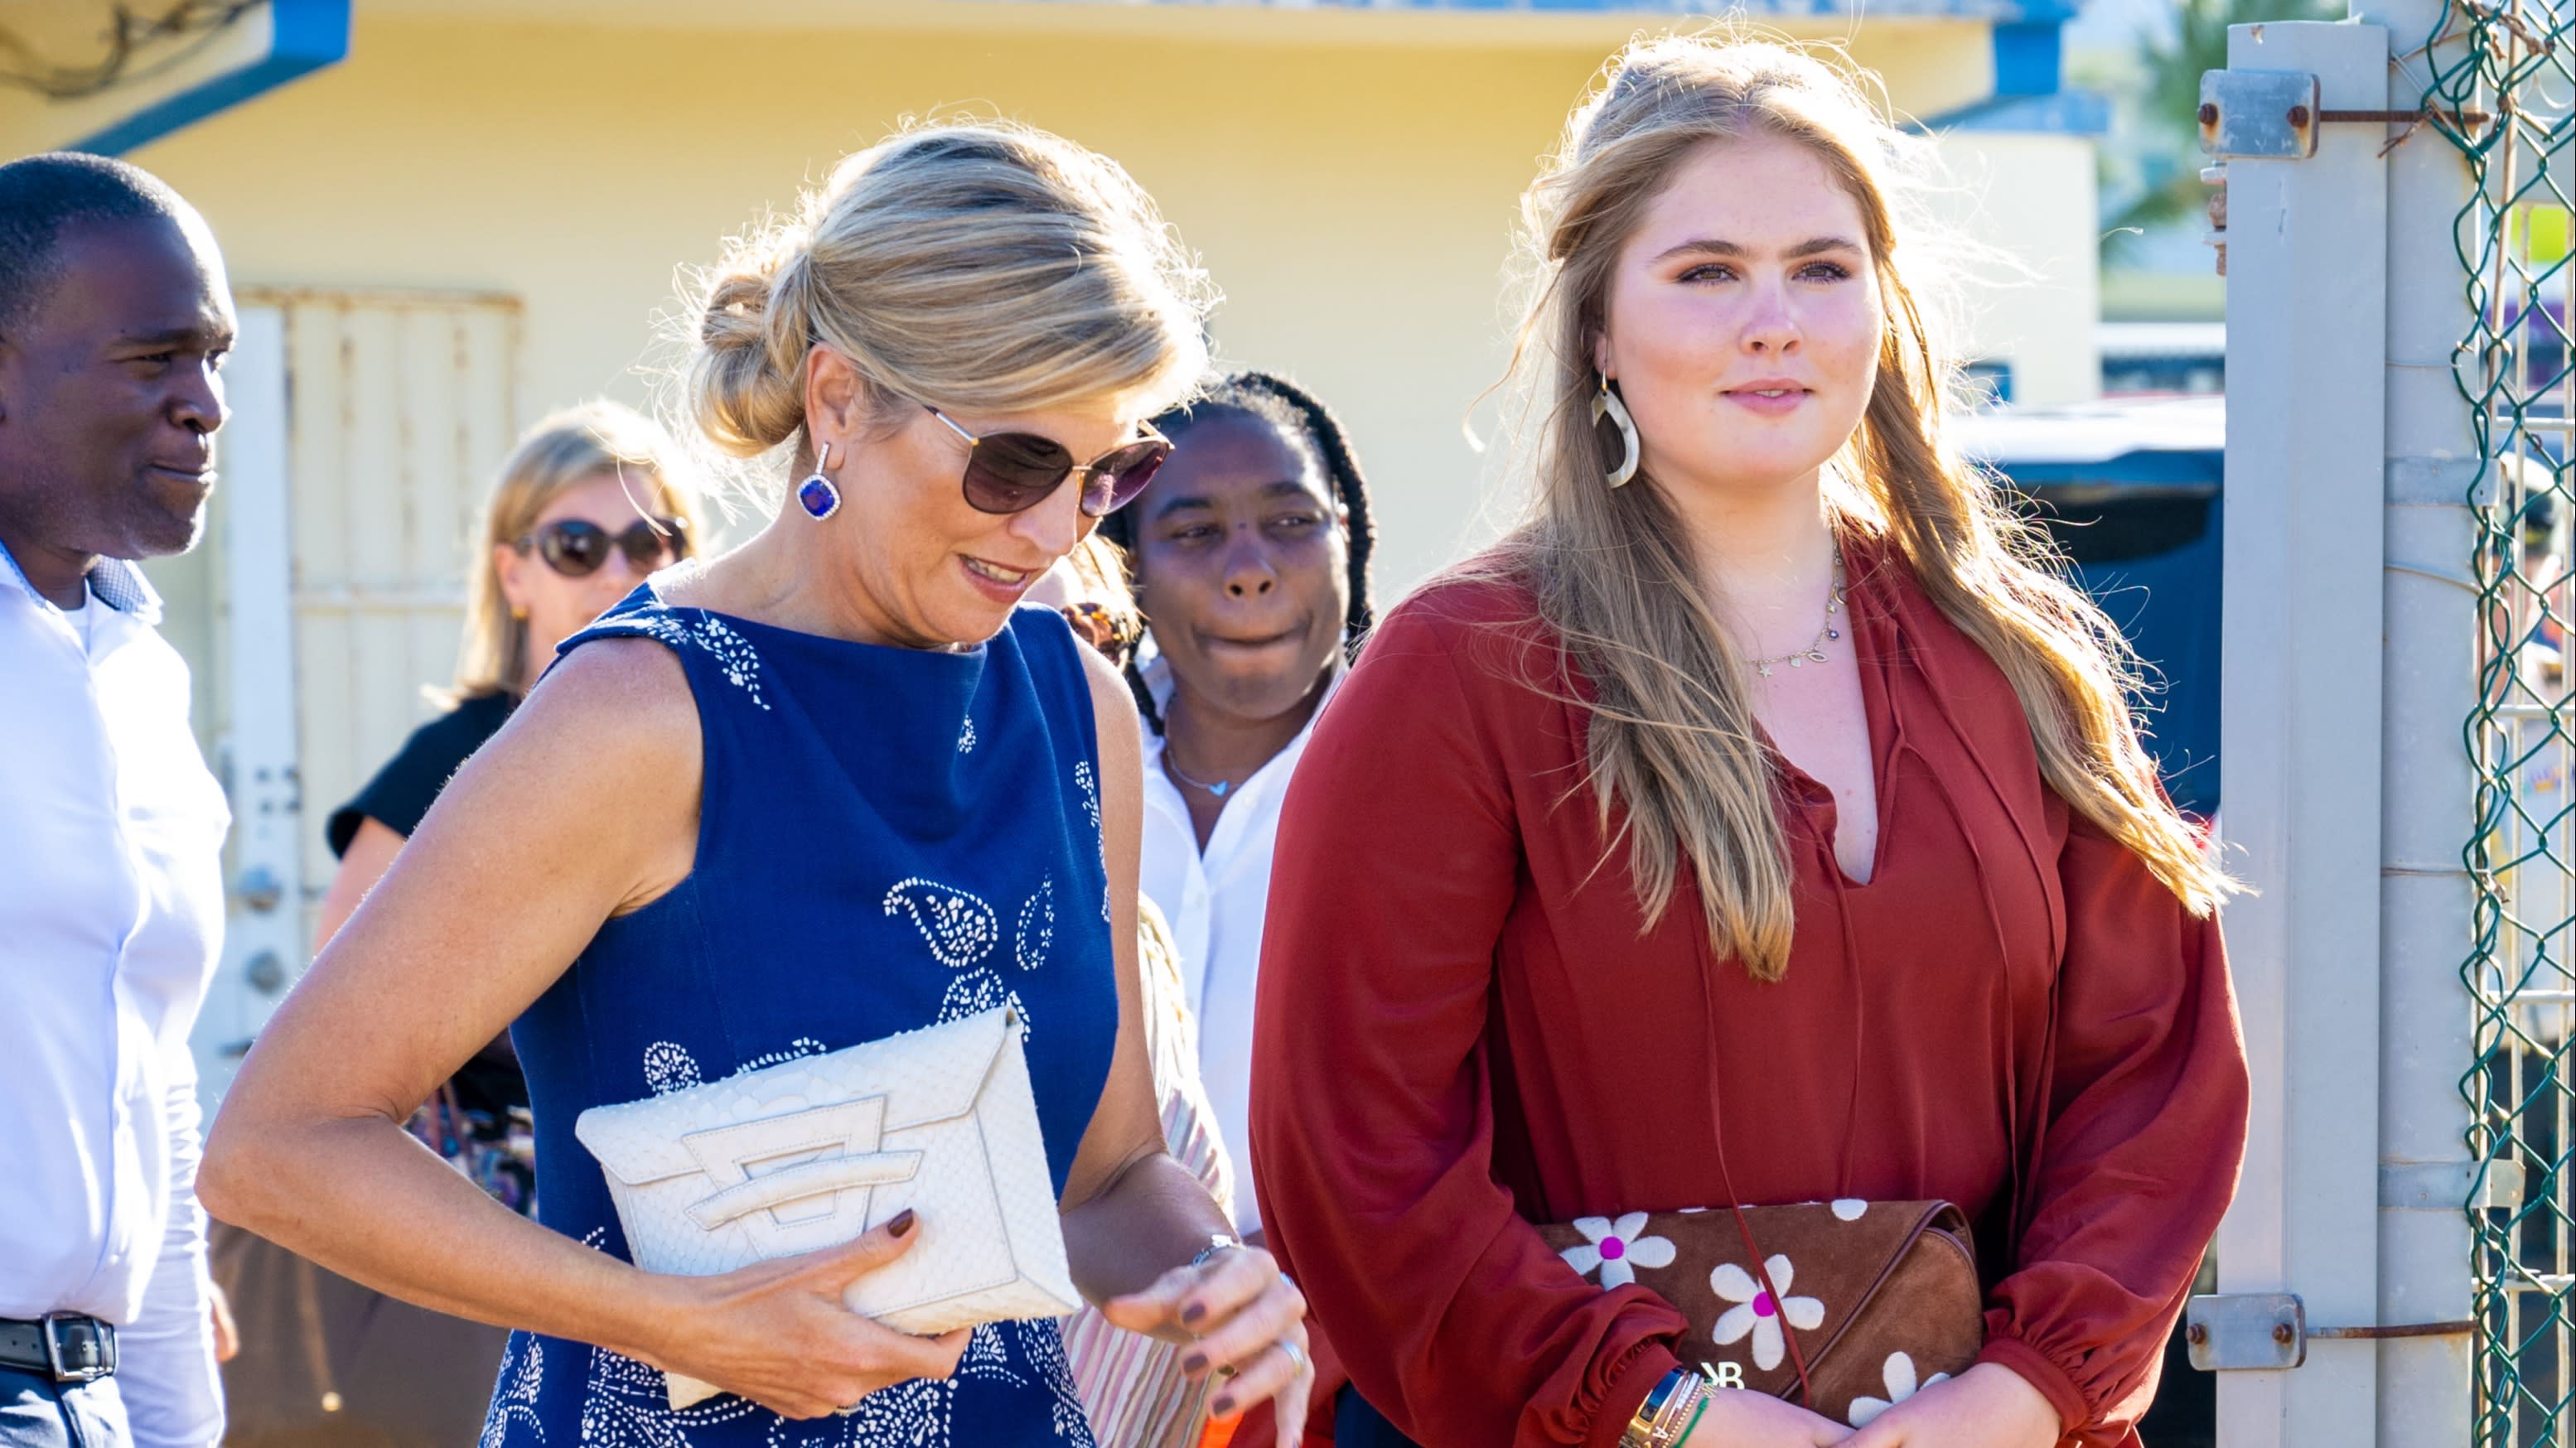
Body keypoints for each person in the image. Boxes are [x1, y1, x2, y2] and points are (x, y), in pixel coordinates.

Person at [198, 119, 1309, 1448]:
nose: (1056, 529)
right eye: (1014, 463)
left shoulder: (1075, 702)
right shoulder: (639, 715)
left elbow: (1111, 1170)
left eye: (1108, 473)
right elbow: (278, 1147)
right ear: (839, 404)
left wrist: (1211, 1277)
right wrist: (679, 1323)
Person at [1251, 36, 2249, 1448]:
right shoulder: (1458, 676)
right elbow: (1354, 1149)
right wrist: (1664, 1415)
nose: (1771, 319)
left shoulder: (2012, 658)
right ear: (1596, 323)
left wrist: (2022, 1390)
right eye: (1705, 270)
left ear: (1879, 310)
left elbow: (2150, 1068)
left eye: (1820, 268)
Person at [210, 401, 707, 1446]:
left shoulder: (721, 745)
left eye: (651, 541)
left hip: (682, 1203)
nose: (618, 570)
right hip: (493, 1215)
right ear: (514, 572)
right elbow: (339, 993)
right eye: (578, 545)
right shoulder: (465, 753)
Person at [0, 152, 237, 1448]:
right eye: (154, 360)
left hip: (91, 1401)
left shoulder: (138, 669)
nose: (204, 406)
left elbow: (145, 1077)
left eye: (215, 362)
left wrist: (175, 1426)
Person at [1092, 371, 1375, 1241]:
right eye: (1193, 531)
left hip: (1356, 1341)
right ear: (1126, 562)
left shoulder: (1426, 775)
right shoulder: (1065, 765)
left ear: (1350, 538)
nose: (1249, 570)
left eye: (1292, 522)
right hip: (1089, 1332)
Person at [1033, 540, 1238, 1448]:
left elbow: (1106, 1188)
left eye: (1088, 628)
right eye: (1009, 640)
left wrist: (1220, 1277)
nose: (1063, 678)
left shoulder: (1126, 926)